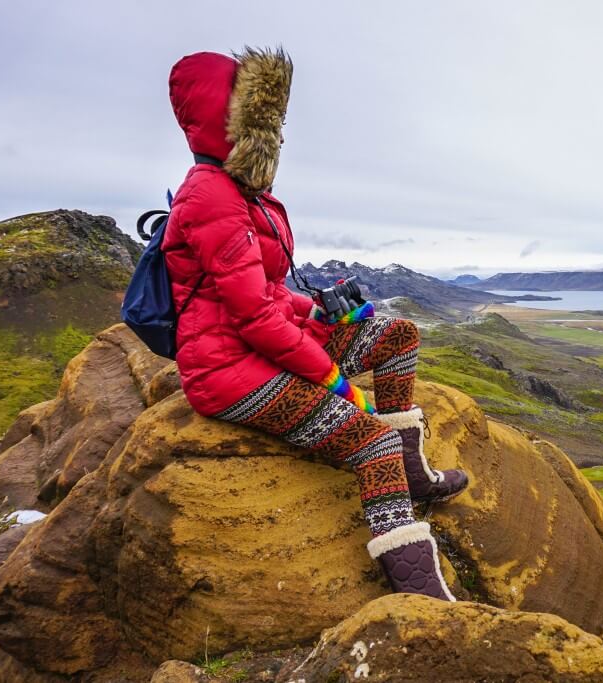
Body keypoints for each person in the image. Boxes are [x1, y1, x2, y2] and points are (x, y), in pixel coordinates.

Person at [162, 47, 468, 600]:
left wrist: (319, 312)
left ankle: (413, 471)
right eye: (268, 125)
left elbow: (267, 292)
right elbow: (253, 318)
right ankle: (417, 587)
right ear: (233, 123)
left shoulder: (242, 194)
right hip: (232, 372)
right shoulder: (210, 197)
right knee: (370, 442)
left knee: (397, 336)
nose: (279, 138)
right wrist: (335, 380)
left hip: (266, 348)